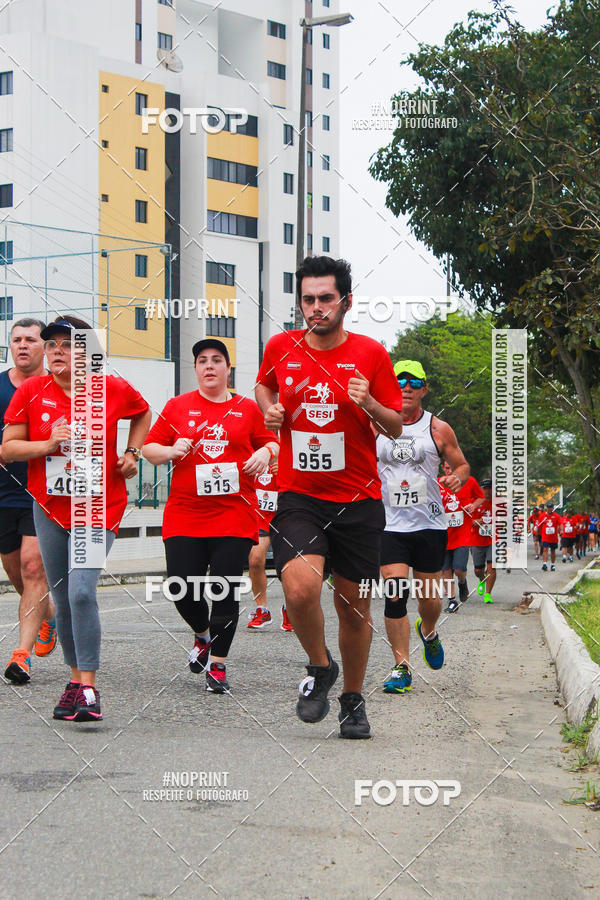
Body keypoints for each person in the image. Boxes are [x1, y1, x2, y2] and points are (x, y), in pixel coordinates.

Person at [255, 255, 403, 739]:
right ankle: (320, 666)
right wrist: (271, 410)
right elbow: (263, 385)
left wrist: (370, 403)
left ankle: (352, 701)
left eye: (325, 298)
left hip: (358, 499)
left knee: (353, 607)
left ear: (346, 301)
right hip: (300, 493)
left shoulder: (371, 355)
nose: (315, 308)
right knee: (298, 588)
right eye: (307, 299)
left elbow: (395, 426)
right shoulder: (281, 346)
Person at [2, 315, 151, 720]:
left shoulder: (111, 389)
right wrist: (48, 442)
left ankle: (89, 688)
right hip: (48, 508)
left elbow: (143, 413)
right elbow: (8, 449)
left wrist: (132, 453)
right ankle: (74, 681)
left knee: (82, 591)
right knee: (65, 599)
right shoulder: (32, 391)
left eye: (68, 346)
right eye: (51, 346)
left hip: (98, 507)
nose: (57, 353)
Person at [143, 338, 279, 693]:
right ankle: (202, 634)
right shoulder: (177, 407)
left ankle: (218, 664)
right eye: (202, 360)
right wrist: (172, 449)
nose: (209, 366)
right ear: (196, 369)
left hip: (233, 513)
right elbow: (149, 449)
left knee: (223, 588)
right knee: (180, 586)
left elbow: (273, 441)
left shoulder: (247, 409)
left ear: (227, 369)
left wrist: (266, 452)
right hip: (185, 513)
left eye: (216, 360)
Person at [376, 360, 469, 694]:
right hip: (390, 525)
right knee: (395, 593)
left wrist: (457, 478)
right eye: (399, 380)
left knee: (429, 599)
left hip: (429, 524)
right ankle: (401, 667)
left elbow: (461, 464)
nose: (406, 387)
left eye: (414, 382)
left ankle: (428, 631)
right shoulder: (375, 425)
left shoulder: (438, 428)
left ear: (424, 389)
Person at [2, 319, 57, 684]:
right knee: (19, 576)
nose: (23, 345)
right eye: (17, 340)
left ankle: (20, 657)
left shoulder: (57, 386)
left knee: (34, 568)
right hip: (2, 495)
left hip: (41, 491)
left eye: (31, 340)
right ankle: (48, 616)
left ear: (44, 347)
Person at [247, 460, 293, 632]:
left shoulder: (288, 441)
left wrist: (287, 468)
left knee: (288, 566)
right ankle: (262, 609)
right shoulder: (252, 445)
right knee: (255, 560)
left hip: (285, 515)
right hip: (260, 515)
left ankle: (290, 609)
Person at [439, 461, 484, 613]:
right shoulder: (438, 483)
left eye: (452, 467)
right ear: (442, 468)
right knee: (445, 570)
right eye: (447, 468)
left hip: (462, 533)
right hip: (443, 534)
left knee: (458, 569)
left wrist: (473, 505)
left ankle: (462, 581)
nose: (450, 470)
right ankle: (452, 601)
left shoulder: (469, 481)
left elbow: (481, 497)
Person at [470, 478, 496, 603]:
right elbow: (466, 521)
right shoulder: (474, 503)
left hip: (493, 540)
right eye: (485, 488)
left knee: (492, 566)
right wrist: (476, 521)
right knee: (478, 570)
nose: (488, 490)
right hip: (477, 540)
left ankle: (488, 594)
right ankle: (481, 579)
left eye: (490, 487)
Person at [540, 501, 561, 571]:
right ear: (547, 508)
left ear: (553, 508)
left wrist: (561, 530)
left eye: (551, 507)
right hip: (545, 537)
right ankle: (544, 564)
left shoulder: (556, 516)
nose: (549, 509)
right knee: (545, 549)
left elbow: (560, 524)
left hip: (553, 537)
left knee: (553, 551)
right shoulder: (543, 516)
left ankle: (553, 564)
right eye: (548, 507)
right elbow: (539, 525)